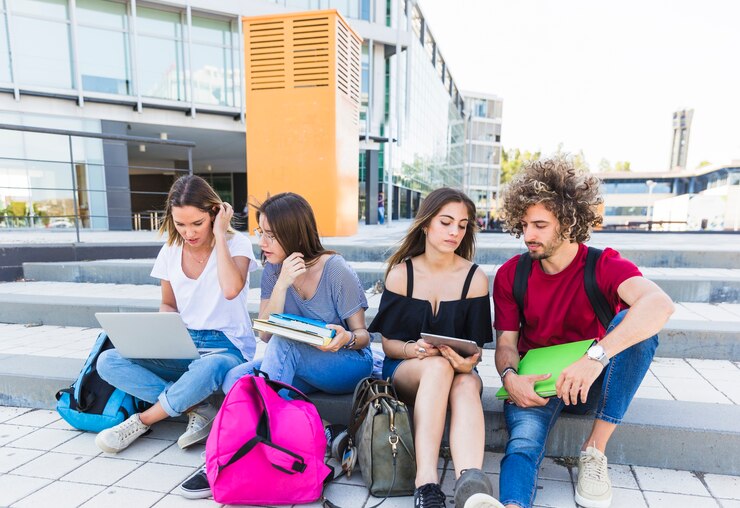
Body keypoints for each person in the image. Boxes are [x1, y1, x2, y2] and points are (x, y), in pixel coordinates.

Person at [492, 158, 675, 508]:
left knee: (636, 326)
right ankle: (512, 505)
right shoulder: (511, 274)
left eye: (540, 225)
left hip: (592, 384)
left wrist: (594, 358)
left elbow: (660, 305)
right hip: (537, 383)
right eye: (525, 224)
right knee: (522, 445)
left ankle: (594, 450)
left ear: (569, 222)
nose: (528, 235)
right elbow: (505, 343)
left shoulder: (602, 264)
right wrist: (510, 376)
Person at [179, 191, 373, 499]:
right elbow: (265, 335)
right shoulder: (273, 269)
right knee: (236, 378)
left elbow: (364, 337)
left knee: (286, 344)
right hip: (297, 364)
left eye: (270, 235)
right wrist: (282, 282)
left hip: (345, 362)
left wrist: (344, 337)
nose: (262, 242)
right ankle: (324, 430)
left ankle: (242, 451)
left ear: (293, 234)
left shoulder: (335, 269)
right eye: (261, 233)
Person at [95, 175, 258, 454]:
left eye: (197, 223)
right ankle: (198, 407)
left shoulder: (236, 244)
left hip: (227, 347)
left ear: (214, 213)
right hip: (184, 342)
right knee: (107, 361)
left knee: (208, 368)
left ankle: (142, 420)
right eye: (180, 224)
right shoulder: (170, 251)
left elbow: (231, 289)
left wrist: (219, 234)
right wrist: (163, 333)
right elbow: (169, 304)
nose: (189, 233)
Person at [368, 187, 503, 508]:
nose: (455, 231)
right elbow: (388, 344)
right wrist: (415, 351)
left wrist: (466, 363)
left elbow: (476, 351)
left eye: (462, 224)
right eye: (446, 222)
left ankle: (471, 483)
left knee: (468, 381)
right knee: (438, 365)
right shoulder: (402, 274)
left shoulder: (475, 278)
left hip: (457, 371)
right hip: (407, 370)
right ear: (426, 225)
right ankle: (426, 482)